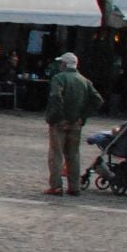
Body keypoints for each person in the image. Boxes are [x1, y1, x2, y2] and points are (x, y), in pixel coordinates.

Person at [42, 51, 102, 196]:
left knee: (56, 154)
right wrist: (82, 117)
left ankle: (55, 186)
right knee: (73, 154)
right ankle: (74, 187)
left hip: (59, 123)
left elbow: (56, 97)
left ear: (63, 64)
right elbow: (98, 100)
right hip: (76, 123)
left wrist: (59, 117)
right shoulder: (84, 80)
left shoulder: (59, 78)